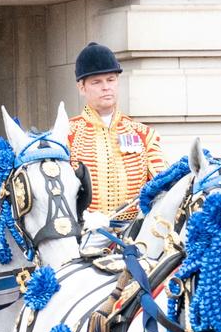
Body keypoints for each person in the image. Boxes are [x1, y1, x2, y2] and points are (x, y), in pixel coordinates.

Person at [65, 42, 166, 220]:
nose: (106, 87)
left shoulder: (144, 134)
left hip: (135, 236)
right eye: (96, 82)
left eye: (110, 80)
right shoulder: (66, 134)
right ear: (81, 87)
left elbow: (163, 186)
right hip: (83, 233)